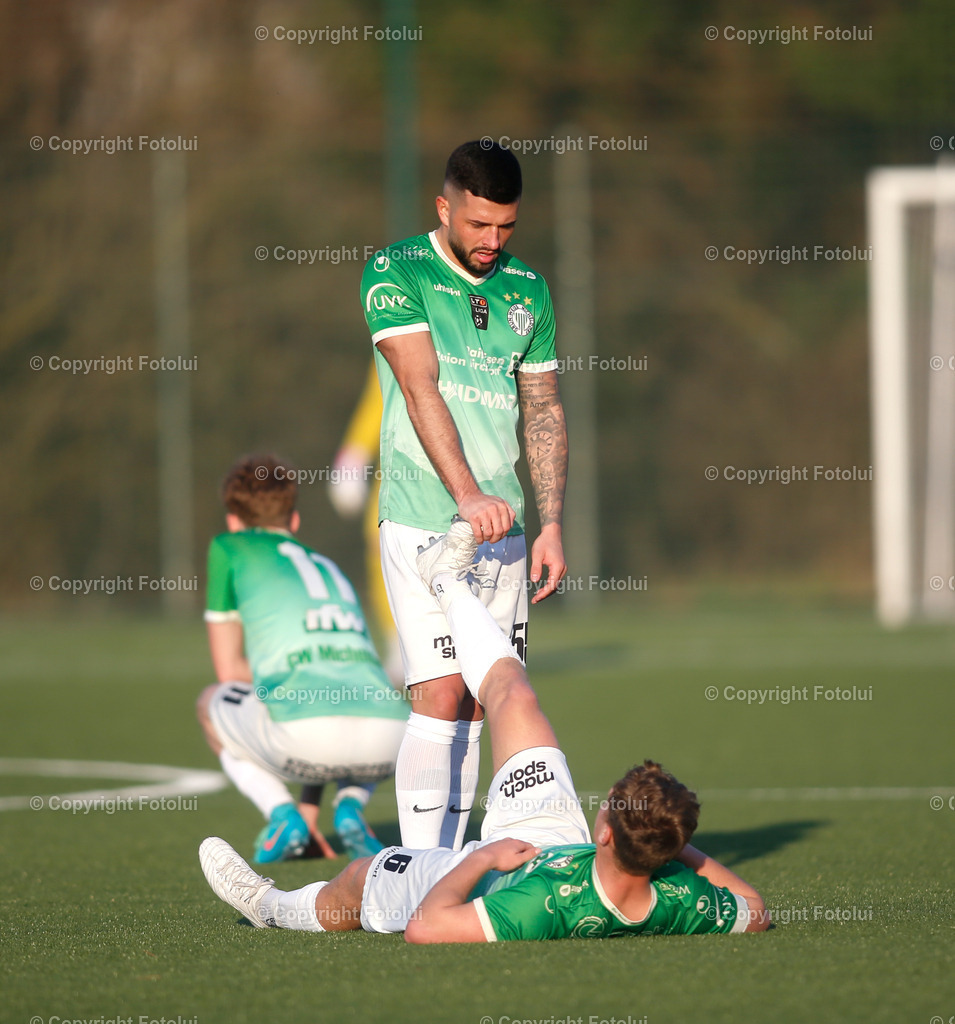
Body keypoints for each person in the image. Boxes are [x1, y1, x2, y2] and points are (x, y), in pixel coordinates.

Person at [200, 521, 769, 940]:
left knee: (358, 879)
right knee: (513, 692)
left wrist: (480, 858)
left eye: (614, 805)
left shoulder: (540, 907)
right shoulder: (678, 898)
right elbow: (755, 908)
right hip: (555, 834)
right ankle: (446, 578)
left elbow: (427, 929)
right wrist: (663, 837)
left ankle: (268, 904)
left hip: (496, 870)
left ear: (607, 832)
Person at [360, 139, 569, 849]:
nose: (492, 241)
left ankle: (452, 861)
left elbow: (541, 407)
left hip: (504, 530)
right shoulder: (396, 270)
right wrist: (467, 496)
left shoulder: (529, 289)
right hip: (424, 519)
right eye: (478, 225)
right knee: (439, 692)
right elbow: (419, 387)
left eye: (506, 226)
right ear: (444, 206)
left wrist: (549, 526)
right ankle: (423, 867)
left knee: (484, 702)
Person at [196, 453, 409, 864]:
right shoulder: (329, 567)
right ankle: (349, 806)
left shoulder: (229, 547)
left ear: (233, 521)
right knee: (337, 701)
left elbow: (230, 673)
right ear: (294, 521)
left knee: (210, 701)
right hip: (394, 737)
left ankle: (280, 813)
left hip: (307, 735)